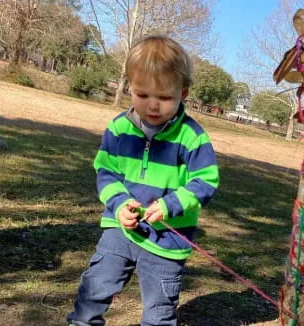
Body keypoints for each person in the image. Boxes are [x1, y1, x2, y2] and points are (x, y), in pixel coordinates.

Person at [67, 35, 220, 326]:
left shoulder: (192, 137)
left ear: (183, 93)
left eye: (164, 98)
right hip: (119, 229)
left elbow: (206, 181)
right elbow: (106, 171)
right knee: (94, 289)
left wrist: (171, 204)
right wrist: (120, 203)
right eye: (142, 94)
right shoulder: (119, 128)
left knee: (160, 310)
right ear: (130, 87)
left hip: (168, 240)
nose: (152, 105)